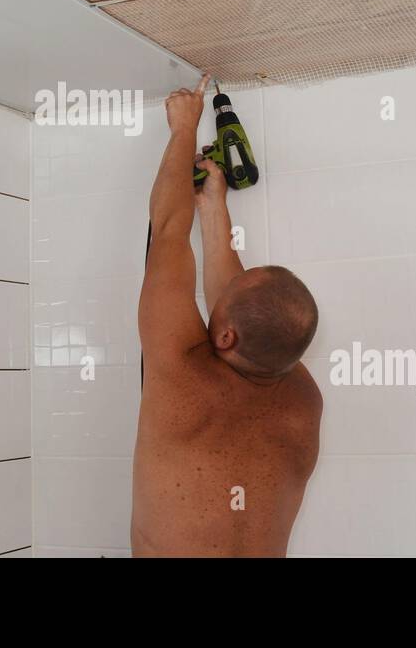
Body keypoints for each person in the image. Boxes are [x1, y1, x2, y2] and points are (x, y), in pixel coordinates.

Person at [131, 74, 323, 557]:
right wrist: (214, 208)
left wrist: (183, 130)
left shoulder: (183, 375)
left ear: (225, 338)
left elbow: (169, 233)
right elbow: (244, 315)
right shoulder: (303, 397)